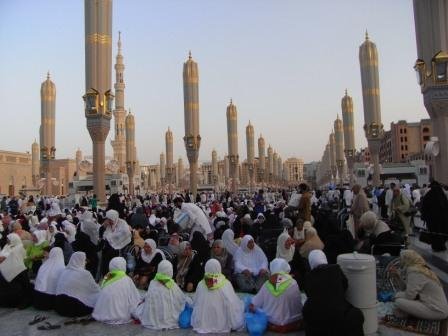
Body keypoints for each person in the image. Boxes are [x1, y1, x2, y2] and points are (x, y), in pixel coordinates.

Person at [303, 250, 364, 336]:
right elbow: (345, 285)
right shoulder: (336, 270)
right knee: (356, 314)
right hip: (338, 318)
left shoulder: (309, 276)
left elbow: (309, 294)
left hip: (317, 322)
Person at [134, 260, 192, 330]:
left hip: (152, 317)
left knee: (138, 309)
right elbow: (181, 299)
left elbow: (148, 297)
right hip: (169, 317)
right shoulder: (172, 285)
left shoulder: (153, 283)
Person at [191, 259, 244, 333]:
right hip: (222, 322)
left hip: (203, 321)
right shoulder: (225, 283)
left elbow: (195, 301)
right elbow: (232, 303)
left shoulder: (201, 284)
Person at [251, 258, 303, 333]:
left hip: (273, 324)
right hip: (293, 323)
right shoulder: (293, 283)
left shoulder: (267, 284)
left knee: (254, 307)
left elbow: (253, 305)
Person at [394, 250, 448, 320]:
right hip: (436, 307)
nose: (400, 261)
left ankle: (408, 313)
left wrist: (396, 295)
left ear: (407, 259)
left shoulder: (415, 272)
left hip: (436, 310)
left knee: (398, 301)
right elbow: (406, 289)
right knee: (401, 299)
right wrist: (398, 276)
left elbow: (409, 296)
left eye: (401, 258)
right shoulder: (421, 268)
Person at [93, 257, 141, 324]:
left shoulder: (107, 276)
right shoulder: (126, 279)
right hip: (121, 315)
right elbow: (135, 298)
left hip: (103, 313)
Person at [55, 251, 100, 317]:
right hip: (73, 309)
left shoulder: (65, 271)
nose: (85, 262)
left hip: (59, 306)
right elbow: (95, 289)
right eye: (84, 260)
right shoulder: (84, 274)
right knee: (97, 297)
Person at [0, 233, 33, 308]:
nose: (7, 240)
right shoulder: (7, 246)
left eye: (9, 239)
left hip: (7, 299)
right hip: (6, 267)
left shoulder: (19, 248)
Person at [101, 209, 132, 276]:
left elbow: (125, 233)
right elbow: (105, 235)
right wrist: (104, 227)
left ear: (114, 218)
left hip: (121, 246)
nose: (109, 221)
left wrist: (111, 237)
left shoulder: (122, 223)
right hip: (110, 246)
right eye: (108, 219)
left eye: (110, 219)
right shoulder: (108, 225)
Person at [421, 180, 448, 252]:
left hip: (431, 219)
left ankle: (436, 246)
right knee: (442, 231)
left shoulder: (428, 194)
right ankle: (442, 245)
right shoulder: (442, 195)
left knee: (434, 232)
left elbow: (424, 206)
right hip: (442, 219)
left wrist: (424, 217)